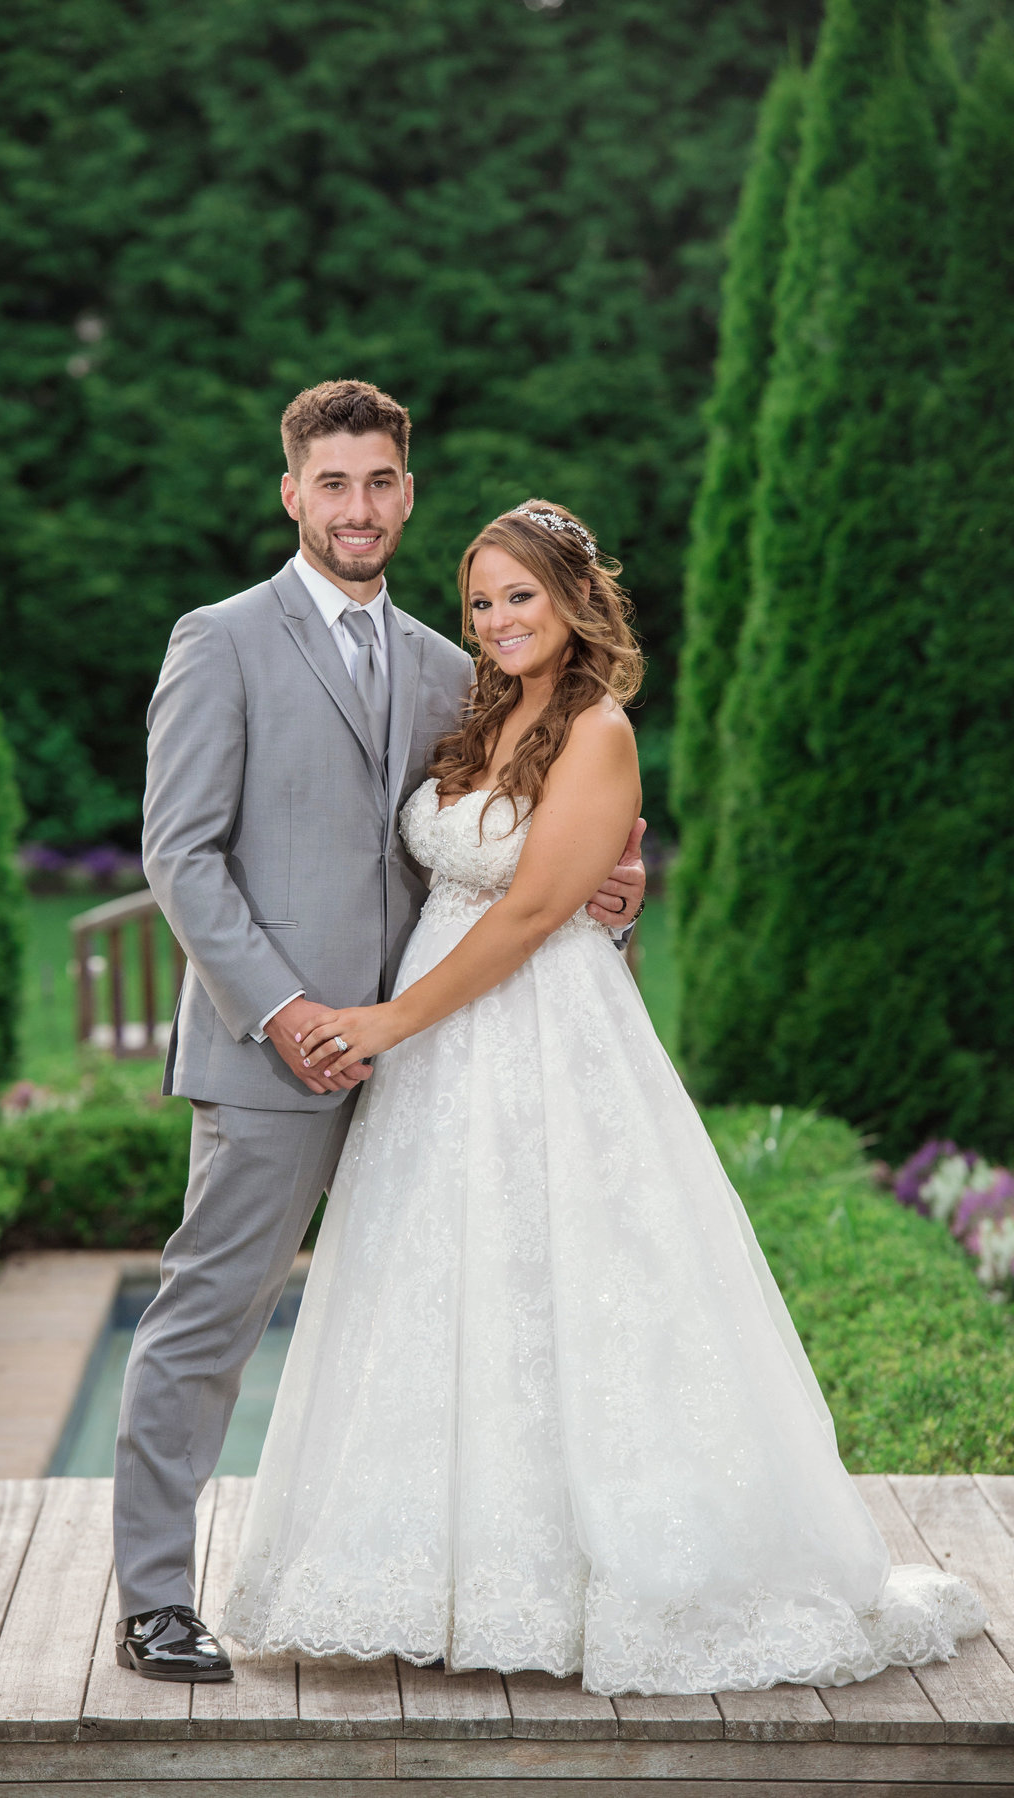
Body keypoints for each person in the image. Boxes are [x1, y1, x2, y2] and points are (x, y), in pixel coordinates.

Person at [219, 499, 985, 1694]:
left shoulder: (599, 728)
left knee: (573, 1281)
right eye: (480, 600)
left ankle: (592, 1575)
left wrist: (389, 1020)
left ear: (574, 601)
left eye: (518, 595)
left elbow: (531, 913)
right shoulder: (479, 715)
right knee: (438, 1288)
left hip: (530, 1027)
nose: (496, 619)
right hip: (441, 1053)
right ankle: (437, 1574)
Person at [112, 382, 647, 1682]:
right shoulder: (220, 639)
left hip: (441, 1057)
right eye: (332, 483)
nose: (359, 506)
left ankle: (475, 1582)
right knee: (209, 1313)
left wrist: (608, 889)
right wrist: (290, 1014)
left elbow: (500, 838)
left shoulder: (444, 664)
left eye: (381, 482)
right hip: (275, 1049)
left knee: (459, 1320)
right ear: (293, 493)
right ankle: (153, 1597)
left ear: (407, 491)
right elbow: (180, 854)